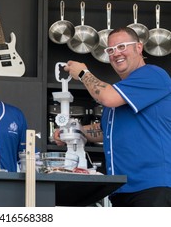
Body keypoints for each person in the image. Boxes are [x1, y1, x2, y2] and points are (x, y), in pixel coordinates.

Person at [54, 27, 171, 207]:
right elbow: (105, 129)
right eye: (110, 50)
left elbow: (107, 98)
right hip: (122, 189)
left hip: (152, 186)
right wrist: (73, 131)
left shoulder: (152, 75)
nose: (116, 53)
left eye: (122, 46)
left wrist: (84, 74)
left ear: (139, 48)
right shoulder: (121, 92)